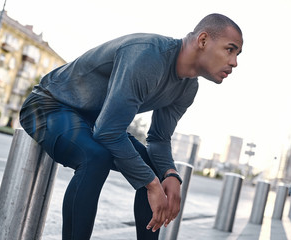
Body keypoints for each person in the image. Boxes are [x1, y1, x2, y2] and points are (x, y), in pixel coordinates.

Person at [19, 13, 243, 240]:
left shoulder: (188, 88)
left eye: (237, 54)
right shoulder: (148, 55)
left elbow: (158, 139)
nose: (234, 62)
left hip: (94, 122)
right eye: (230, 49)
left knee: (154, 169)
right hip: (48, 105)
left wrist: (170, 174)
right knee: (95, 157)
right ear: (203, 40)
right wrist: (151, 184)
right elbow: (108, 131)